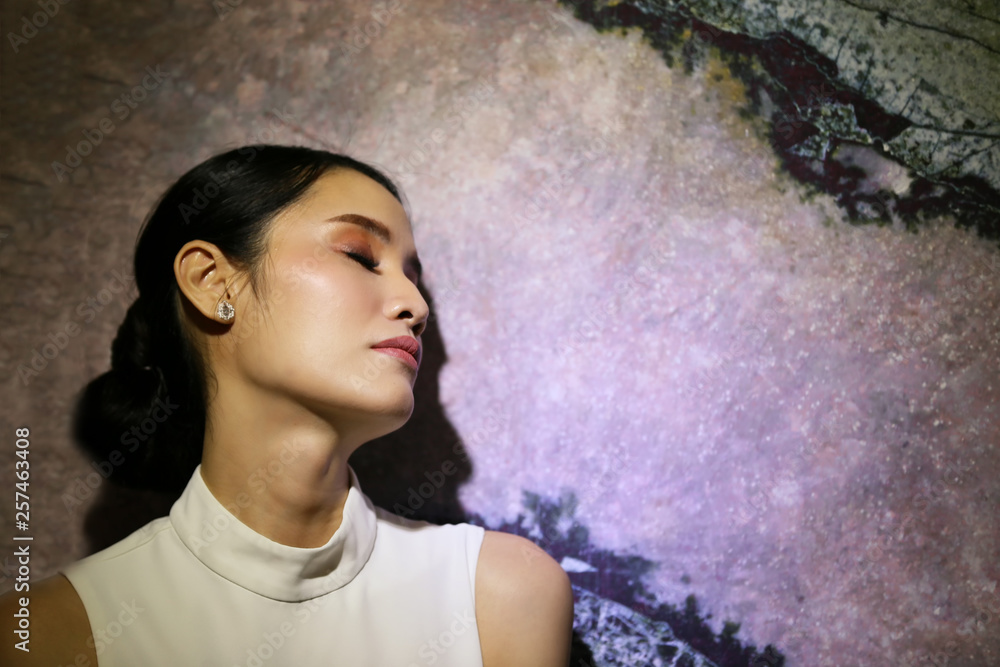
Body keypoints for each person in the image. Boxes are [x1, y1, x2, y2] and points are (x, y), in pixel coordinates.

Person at [1, 145, 574, 666]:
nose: (415, 304)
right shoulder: (42, 636)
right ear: (212, 282)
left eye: (413, 276)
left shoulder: (499, 595)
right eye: (359, 254)